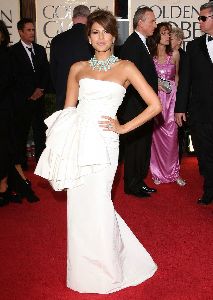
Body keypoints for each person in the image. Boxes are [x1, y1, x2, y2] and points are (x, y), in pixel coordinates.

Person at [35, 9, 162, 294]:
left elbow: (155, 105)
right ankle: (83, 271)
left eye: (106, 31)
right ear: (89, 38)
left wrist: (124, 127)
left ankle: (109, 269)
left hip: (105, 143)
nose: (101, 37)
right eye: (95, 32)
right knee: (79, 206)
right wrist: (59, 149)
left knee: (100, 202)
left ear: (113, 36)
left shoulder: (126, 67)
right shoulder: (77, 68)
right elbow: (68, 111)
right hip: (79, 140)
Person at [175, 1, 213, 205]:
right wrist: (180, 108)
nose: (199, 21)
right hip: (201, 111)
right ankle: (209, 190)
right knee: (205, 154)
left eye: (203, 18)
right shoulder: (193, 46)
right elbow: (186, 79)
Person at [118, 7, 158, 198]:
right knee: (135, 147)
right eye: (152, 21)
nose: (155, 25)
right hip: (136, 107)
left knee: (142, 146)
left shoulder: (141, 43)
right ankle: (132, 184)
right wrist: (146, 104)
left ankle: (138, 181)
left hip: (143, 106)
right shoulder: (132, 45)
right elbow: (130, 82)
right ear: (140, 22)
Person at [9, 18, 50, 202]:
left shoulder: (40, 50)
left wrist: (40, 89)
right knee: (22, 132)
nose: (32, 33)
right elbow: (14, 77)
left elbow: (45, 73)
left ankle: (41, 162)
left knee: (41, 131)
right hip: (23, 101)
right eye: (28, 30)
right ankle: (21, 163)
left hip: (39, 98)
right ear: (20, 32)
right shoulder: (13, 52)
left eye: (33, 29)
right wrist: (29, 93)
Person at [148, 22, 185, 186]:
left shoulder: (175, 54)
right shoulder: (150, 55)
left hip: (171, 101)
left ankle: (174, 172)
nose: (168, 36)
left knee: (172, 138)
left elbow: (177, 77)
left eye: (169, 33)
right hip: (156, 101)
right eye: (164, 33)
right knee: (156, 138)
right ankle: (156, 172)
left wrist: (177, 101)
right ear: (157, 35)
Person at [50, 5, 93, 110]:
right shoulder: (93, 39)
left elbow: (53, 71)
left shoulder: (57, 40)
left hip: (63, 96)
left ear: (73, 18)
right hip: (88, 97)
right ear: (88, 18)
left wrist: (61, 89)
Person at [170, 27, 187, 161]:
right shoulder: (165, 54)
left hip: (179, 99)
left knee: (178, 132)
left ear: (180, 40)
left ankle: (176, 161)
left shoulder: (185, 57)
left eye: (172, 38)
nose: (169, 40)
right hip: (166, 98)